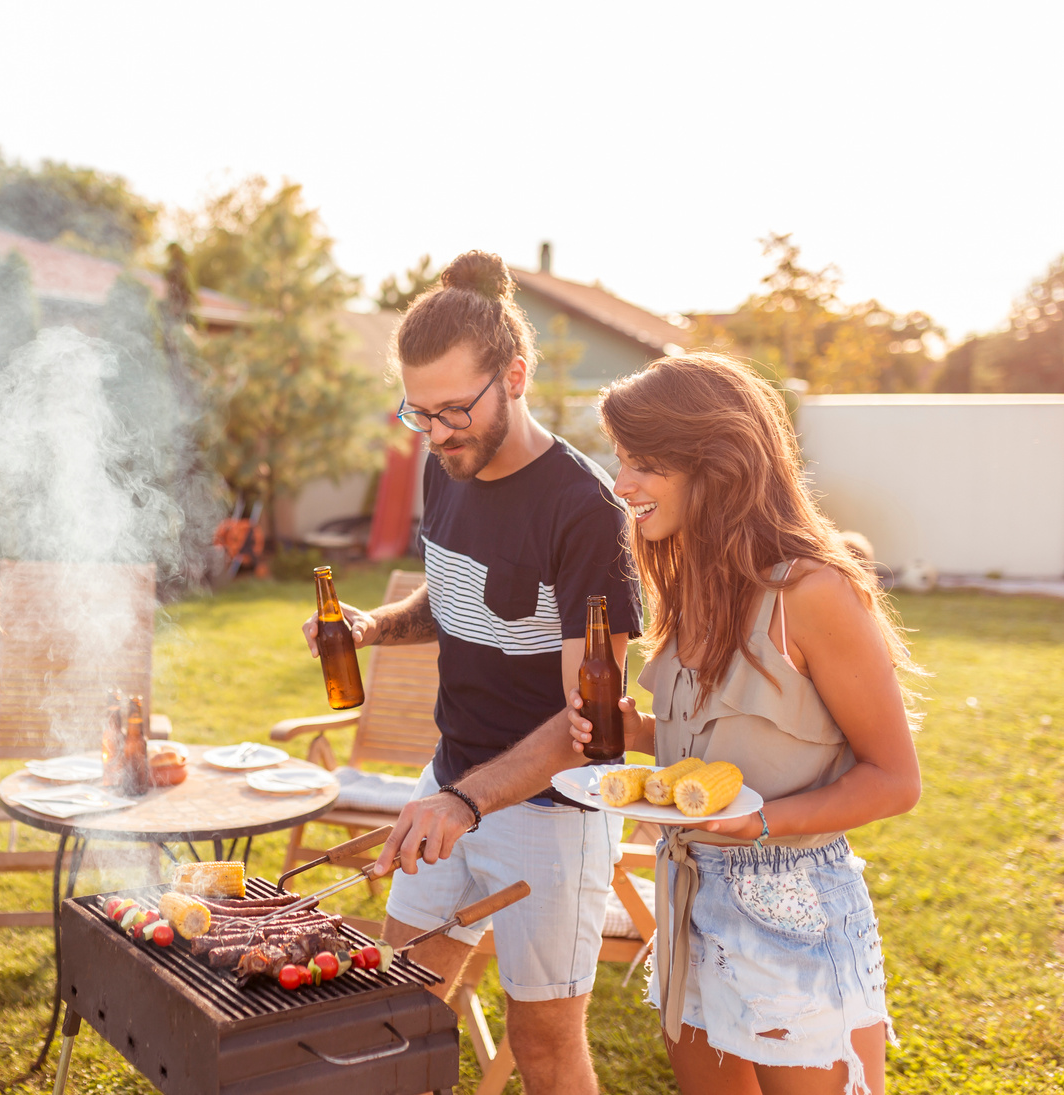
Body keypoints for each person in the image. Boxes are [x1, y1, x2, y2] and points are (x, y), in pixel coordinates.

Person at [307, 251, 641, 1095]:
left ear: (515, 376)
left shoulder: (585, 511)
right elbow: (455, 588)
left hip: (554, 813)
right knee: (403, 1013)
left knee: (545, 1049)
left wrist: (466, 801)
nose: (439, 431)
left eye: (456, 408)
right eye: (419, 414)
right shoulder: (442, 462)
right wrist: (376, 625)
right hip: (448, 782)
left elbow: (587, 725)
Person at [569, 353, 920, 1095]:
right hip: (688, 890)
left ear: (716, 461)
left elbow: (895, 779)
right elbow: (719, 742)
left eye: (643, 463)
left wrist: (760, 823)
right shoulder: (689, 585)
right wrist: (639, 736)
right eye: (620, 460)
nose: (620, 483)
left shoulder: (814, 592)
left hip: (791, 904)